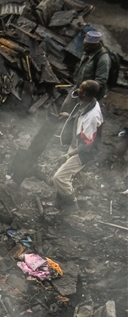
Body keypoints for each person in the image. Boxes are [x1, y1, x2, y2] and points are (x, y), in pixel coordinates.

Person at [52, 80, 103, 210]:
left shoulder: (92, 116)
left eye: (80, 89)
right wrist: (69, 116)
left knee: (59, 178)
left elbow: (87, 145)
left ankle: (71, 205)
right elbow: (82, 120)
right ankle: (60, 202)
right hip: (78, 144)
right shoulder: (89, 104)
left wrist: (67, 155)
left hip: (84, 151)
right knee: (64, 174)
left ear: (85, 93)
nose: (77, 90)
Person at [73, 30, 112, 100]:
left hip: (91, 95)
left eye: (87, 47)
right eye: (84, 45)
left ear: (94, 45)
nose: (84, 48)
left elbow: (100, 81)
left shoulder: (103, 59)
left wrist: (86, 93)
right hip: (81, 90)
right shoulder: (88, 51)